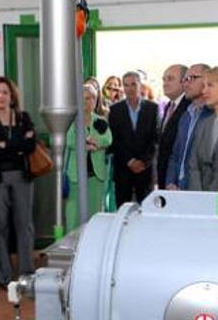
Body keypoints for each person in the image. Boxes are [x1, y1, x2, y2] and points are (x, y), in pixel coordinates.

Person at [0, 76, 37, 289]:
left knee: (24, 225)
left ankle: (27, 273)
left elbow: (31, 146)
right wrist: (18, 145)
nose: (1, 96)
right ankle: (3, 275)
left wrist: (6, 144)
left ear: (12, 95)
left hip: (22, 176)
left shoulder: (24, 117)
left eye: (5, 92)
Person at [65, 83, 112, 230]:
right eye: (85, 98)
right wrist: (85, 143)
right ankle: (72, 248)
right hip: (75, 175)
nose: (89, 101)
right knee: (73, 214)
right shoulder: (70, 119)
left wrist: (93, 142)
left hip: (95, 175)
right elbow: (68, 139)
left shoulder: (100, 120)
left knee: (95, 214)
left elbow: (108, 139)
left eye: (92, 98)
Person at [108, 71, 159, 206]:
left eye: (133, 84)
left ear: (140, 85)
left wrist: (143, 162)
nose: (130, 89)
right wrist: (130, 161)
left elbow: (155, 139)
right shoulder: (115, 110)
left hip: (145, 170)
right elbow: (115, 140)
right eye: (126, 85)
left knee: (146, 208)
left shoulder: (153, 108)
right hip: (123, 170)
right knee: (123, 210)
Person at [165, 63, 211, 190]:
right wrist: (170, 182)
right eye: (184, 79)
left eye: (192, 78)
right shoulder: (186, 116)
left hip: (201, 191)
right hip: (178, 189)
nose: (186, 84)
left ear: (207, 81)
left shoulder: (213, 116)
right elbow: (176, 155)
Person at [155, 64, 189, 189]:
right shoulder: (169, 105)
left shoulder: (189, 107)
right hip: (165, 178)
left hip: (178, 181)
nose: (165, 83)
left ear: (184, 82)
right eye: (164, 79)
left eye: (170, 79)